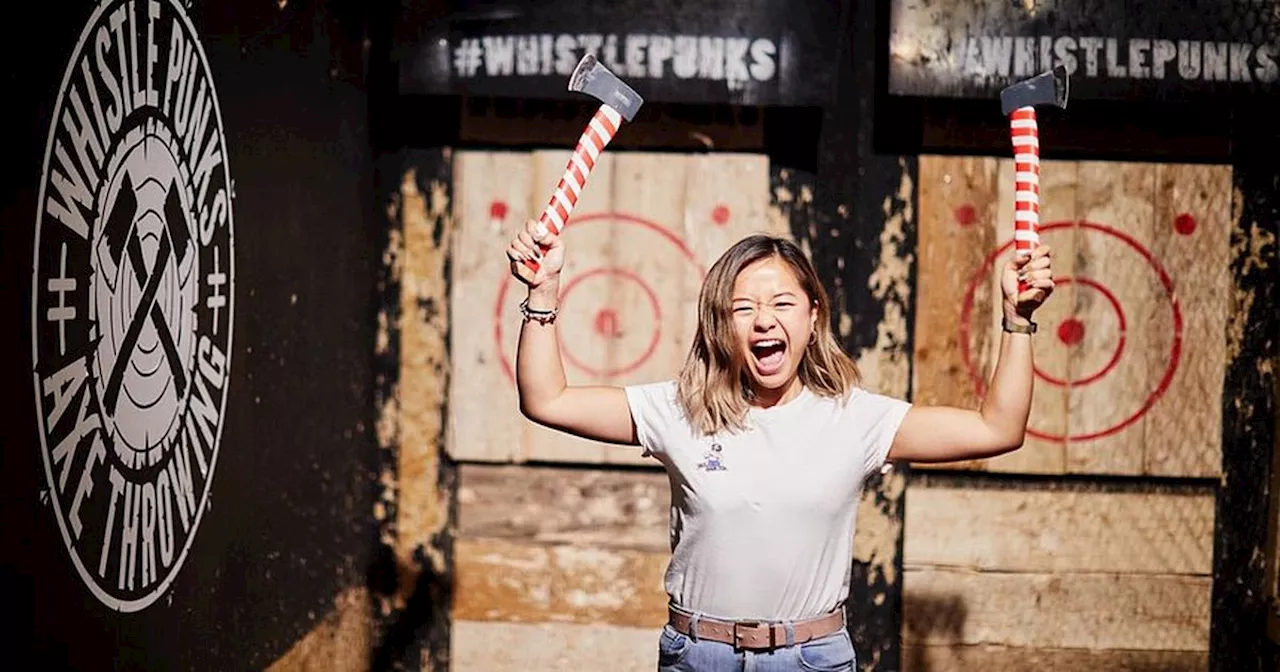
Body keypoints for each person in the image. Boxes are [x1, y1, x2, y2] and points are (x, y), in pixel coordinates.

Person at [505, 219, 1054, 672]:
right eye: (743, 307)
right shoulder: (679, 409)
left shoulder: (855, 419)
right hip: (700, 657)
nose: (764, 319)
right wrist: (543, 295)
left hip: (812, 659)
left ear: (813, 317)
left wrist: (1017, 321)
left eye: (782, 304)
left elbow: (997, 430)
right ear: (722, 325)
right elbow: (546, 400)